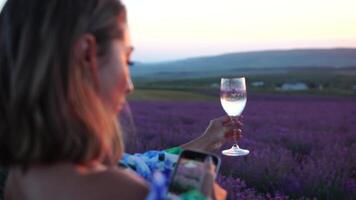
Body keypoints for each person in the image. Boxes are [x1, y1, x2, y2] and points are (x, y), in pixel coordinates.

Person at [0, 0, 243, 199]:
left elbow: (132, 164)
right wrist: (197, 195)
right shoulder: (124, 192)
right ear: (87, 54)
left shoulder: (21, 175)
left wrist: (204, 142)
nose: (130, 85)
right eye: (127, 61)